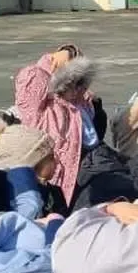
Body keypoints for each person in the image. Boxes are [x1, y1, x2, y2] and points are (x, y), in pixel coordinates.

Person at [13, 46, 101, 206]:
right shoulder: (40, 104)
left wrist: (73, 55)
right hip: (51, 177)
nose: (77, 88)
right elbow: (34, 78)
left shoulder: (82, 104)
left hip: (84, 175)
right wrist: (55, 58)